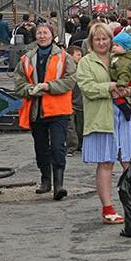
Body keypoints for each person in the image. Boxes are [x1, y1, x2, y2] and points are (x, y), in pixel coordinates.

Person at [76, 23, 131, 224]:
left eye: (105, 39)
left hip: (123, 118)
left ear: (111, 40)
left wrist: (130, 91)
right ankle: (108, 208)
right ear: (91, 42)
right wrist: (109, 87)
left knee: (129, 162)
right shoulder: (86, 62)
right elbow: (87, 88)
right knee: (106, 163)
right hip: (101, 118)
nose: (101, 42)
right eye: (97, 39)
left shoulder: (121, 57)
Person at [13, 22, 77, 200]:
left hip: (58, 110)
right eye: (39, 33)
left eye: (45, 33)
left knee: (57, 148)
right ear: (35, 36)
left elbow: (70, 80)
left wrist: (48, 86)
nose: (42, 36)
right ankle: (46, 180)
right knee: (41, 149)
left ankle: (59, 185)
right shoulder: (27, 58)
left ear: (52, 35)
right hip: (36, 110)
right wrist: (29, 89)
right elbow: (18, 82)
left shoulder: (64, 57)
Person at [66, 44, 84, 153]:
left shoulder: (82, 69)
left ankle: (80, 145)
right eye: (78, 55)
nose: (80, 57)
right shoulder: (67, 70)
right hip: (70, 102)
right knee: (71, 127)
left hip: (80, 102)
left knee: (80, 126)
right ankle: (71, 147)